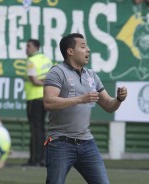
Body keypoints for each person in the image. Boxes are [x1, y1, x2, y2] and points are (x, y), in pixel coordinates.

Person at [43, 33, 127, 184]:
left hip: (87, 143)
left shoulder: (92, 76)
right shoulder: (57, 72)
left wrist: (119, 99)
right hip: (60, 142)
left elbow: (109, 105)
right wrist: (80, 99)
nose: (88, 50)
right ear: (70, 51)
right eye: (83, 46)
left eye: (87, 46)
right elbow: (49, 102)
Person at [23, 39, 53, 167]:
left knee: (36, 130)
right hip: (45, 97)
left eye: (28, 46)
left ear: (35, 47)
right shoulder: (46, 59)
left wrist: (41, 81)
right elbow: (51, 77)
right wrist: (45, 81)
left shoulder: (31, 61)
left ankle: (35, 159)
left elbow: (34, 81)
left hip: (34, 99)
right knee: (41, 129)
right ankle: (43, 159)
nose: (26, 48)